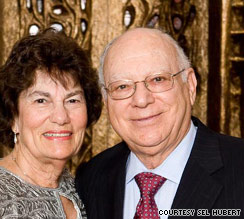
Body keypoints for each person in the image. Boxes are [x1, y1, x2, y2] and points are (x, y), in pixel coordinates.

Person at [75, 27, 244, 219]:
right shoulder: (90, 179)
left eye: (157, 79)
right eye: (122, 86)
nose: (141, 100)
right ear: (106, 100)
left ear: (190, 85)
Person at [0, 28, 102, 218]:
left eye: (72, 100)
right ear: (13, 115)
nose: (61, 117)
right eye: (41, 100)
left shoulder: (82, 190)